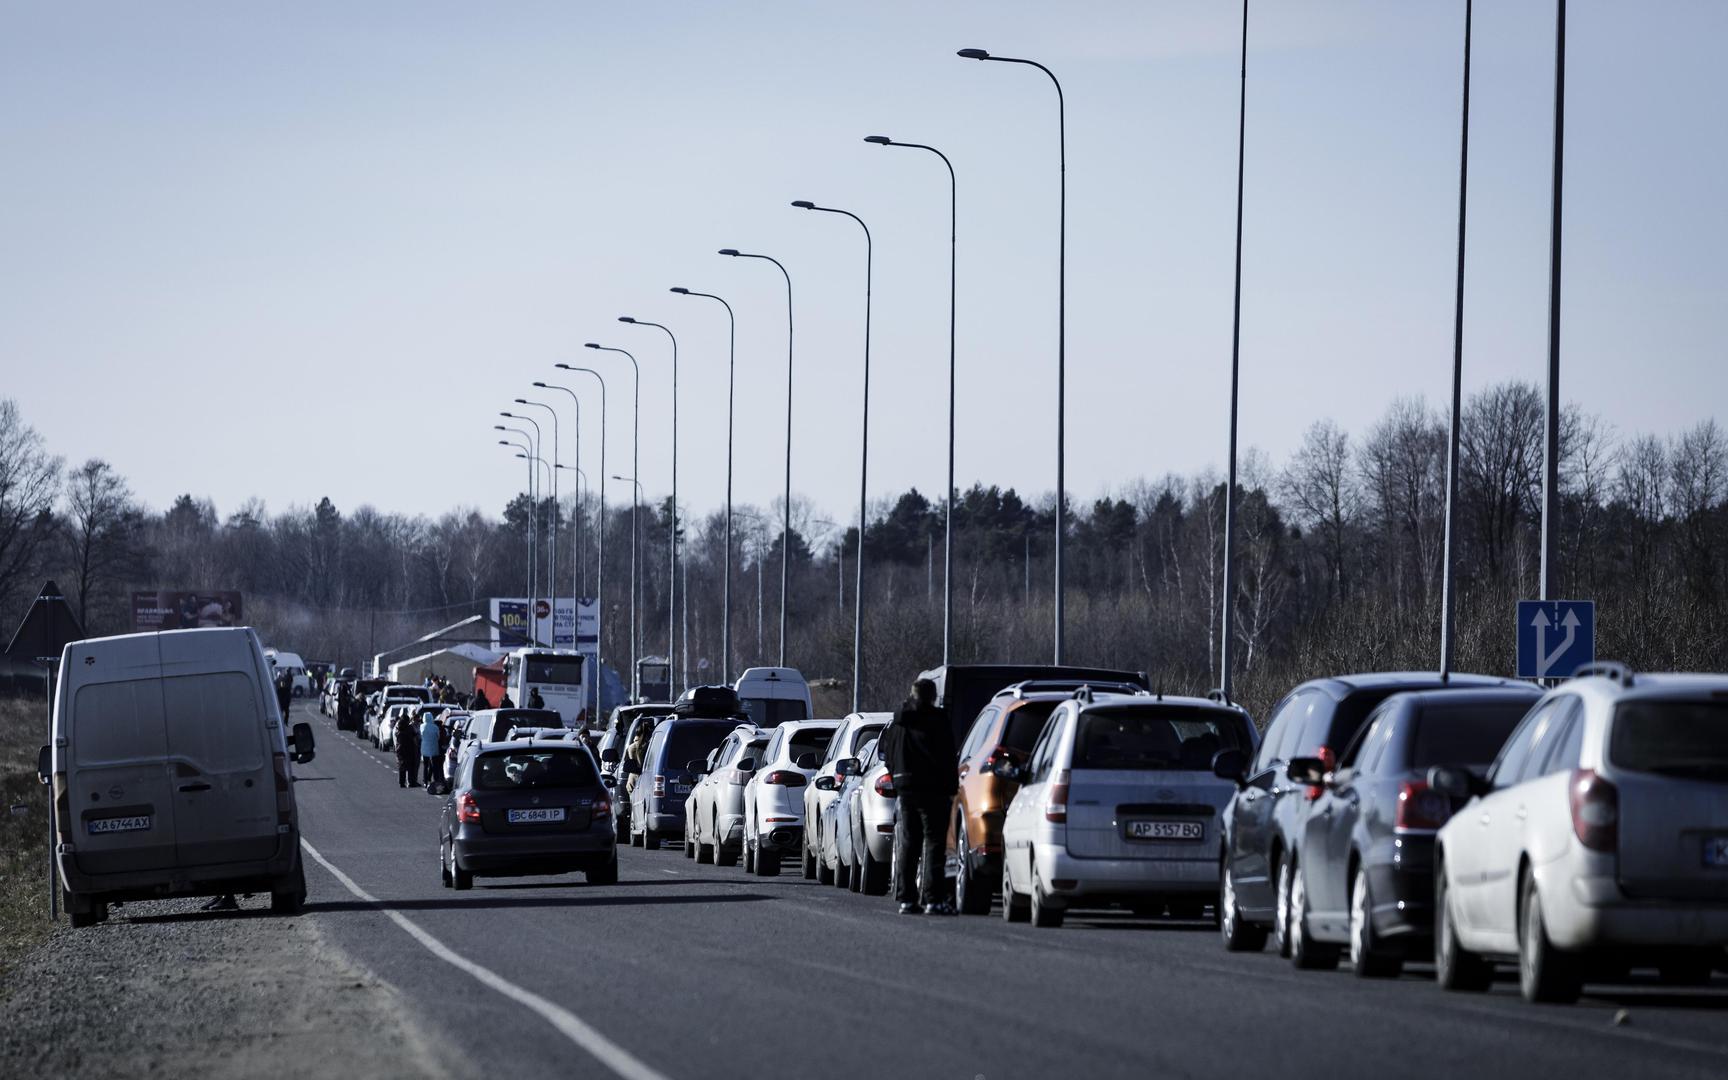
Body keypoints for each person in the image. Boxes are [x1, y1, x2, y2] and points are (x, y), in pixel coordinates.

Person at [879, 678, 957, 916]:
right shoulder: (938, 720)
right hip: (933, 790)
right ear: (932, 696)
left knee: (909, 844)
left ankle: (907, 899)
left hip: (906, 788)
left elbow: (889, 756)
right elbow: (947, 756)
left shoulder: (898, 722)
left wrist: (897, 778)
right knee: (934, 844)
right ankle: (933, 899)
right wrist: (950, 787)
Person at [394, 710, 420, 788]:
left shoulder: (398, 728)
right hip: (409, 749)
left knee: (402, 767)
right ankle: (411, 782)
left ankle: (402, 782)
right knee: (410, 767)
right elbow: (414, 736)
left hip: (400, 750)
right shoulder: (409, 728)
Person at [420, 711, 444, 790]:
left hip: (424, 748)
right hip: (434, 748)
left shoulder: (421, 727)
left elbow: (420, 737)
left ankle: (425, 781)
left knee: (425, 765)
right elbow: (438, 737)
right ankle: (435, 780)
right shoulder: (435, 727)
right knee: (434, 765)